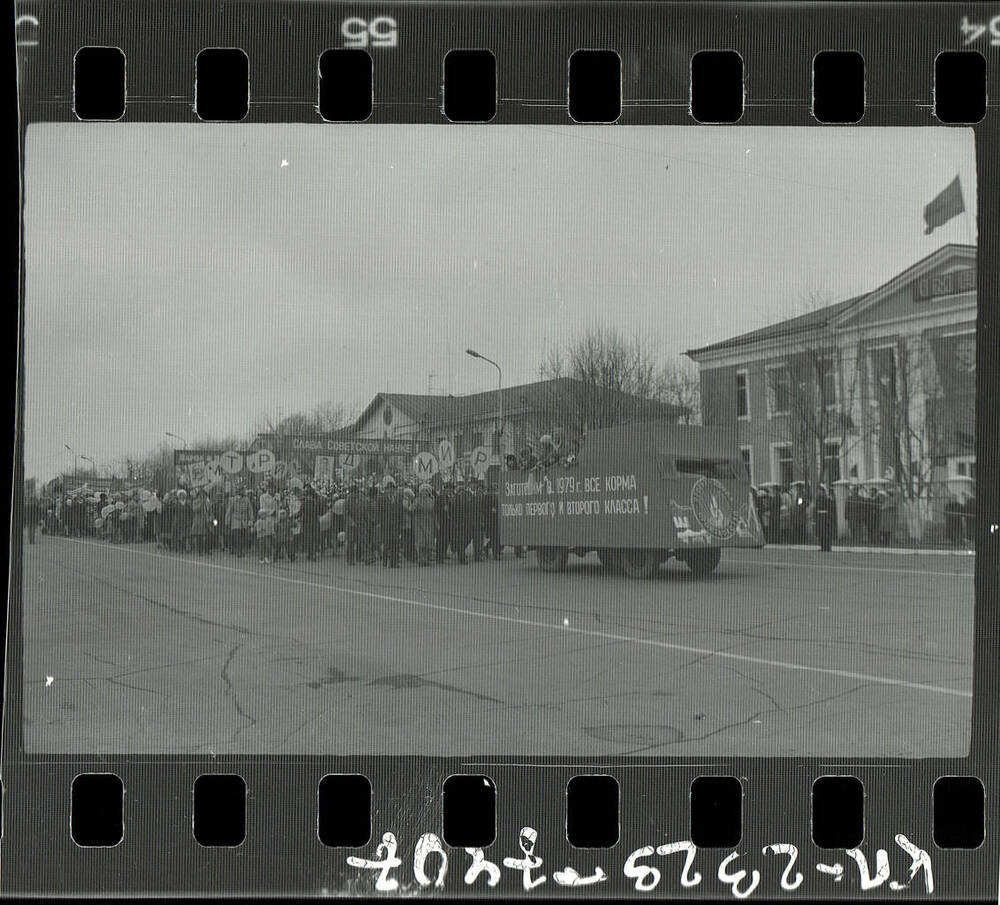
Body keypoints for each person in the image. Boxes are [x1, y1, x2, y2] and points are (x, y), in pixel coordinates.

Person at [376, 477, 403, 568]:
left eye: (392, 489)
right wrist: (380, 522)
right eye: (389, 489)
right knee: (387, 543)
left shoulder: (397, 499)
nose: (391, 491)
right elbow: (379, 512)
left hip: (395, 525)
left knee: (395, 544)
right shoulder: (381, 499)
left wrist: (400, 523)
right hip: (386, 525)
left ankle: (394, 562)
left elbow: (400, 512)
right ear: (386, 490)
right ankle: (385, 561)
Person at [413, 484, 437, 566]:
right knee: (421, 541)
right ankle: (421, 558)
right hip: (419, 522)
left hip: (429, 522)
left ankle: (426, 558)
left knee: (428, 541)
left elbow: (434, 512)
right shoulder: (417, 500)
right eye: (422, 491)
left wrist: (436, 523)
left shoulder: (432, 500)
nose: (424, 493)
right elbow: (412, 509)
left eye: (426, 491)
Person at [227, 487, 254, 558]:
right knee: (237, 536)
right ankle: (238, 551)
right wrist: (227, 521)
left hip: (244, 520)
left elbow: (250, 510)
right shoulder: (233, 500)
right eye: (242, 491)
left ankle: (242, 550)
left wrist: (251, 520)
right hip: (236, 519)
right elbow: (229, 510)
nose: (243, 492)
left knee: (243, 536)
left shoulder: (247, 500)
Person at [434, 480, 454, 563]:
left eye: (451, 489)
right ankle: (439, 556)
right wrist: (442, 509)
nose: (449, 491)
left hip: (450, 521)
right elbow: (435, 509)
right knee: (441, 539)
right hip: (442, 521)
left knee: (447, 538)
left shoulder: (451, 498)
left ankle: (444, 554)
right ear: (445, 489)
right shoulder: (440, 497)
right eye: (448, 489)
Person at [299, 487, 321, 561]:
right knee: (314, 539)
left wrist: (292, 516)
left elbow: (300, 513)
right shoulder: (316, 503)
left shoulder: (304, 504)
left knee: (309, 539)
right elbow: (320, 512)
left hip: (307, 523)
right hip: (315, 522)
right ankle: (312, 554)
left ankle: (310, 554)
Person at [189, 488, 211, 556]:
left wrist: (211, 517)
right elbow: (194, 510)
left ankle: (207, 550)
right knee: (199, 536)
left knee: (208, 535)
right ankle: (200, 551)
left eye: (204, 494)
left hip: (206, 520)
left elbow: (210, 510)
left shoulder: (207, 502)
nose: (203, 496)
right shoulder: (195, 501)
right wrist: (201, 503)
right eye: (201, 494)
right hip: (198, 520)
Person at [813, 484, 835, 552]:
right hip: (820, 518)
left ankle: (827, 547)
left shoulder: (827, 499)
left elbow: (830, 509)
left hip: (825, 518)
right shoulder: (818, 499)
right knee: (821, 533)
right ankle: (823, 546)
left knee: (826, 533)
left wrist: (829, 518)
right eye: (819, 490)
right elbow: (816, 509)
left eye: (820, 490)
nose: (819, 492)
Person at [482, 480, 500, 559]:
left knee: (496, 537)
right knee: (493, 537)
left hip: (496, 520)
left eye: (495, 490)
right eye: (492, 490)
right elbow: (483, 509)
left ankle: (490, 550)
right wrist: (490, 510)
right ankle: (494, 554)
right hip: (489, 520)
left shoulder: (497, 498)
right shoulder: (486, 497)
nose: (494, 491)